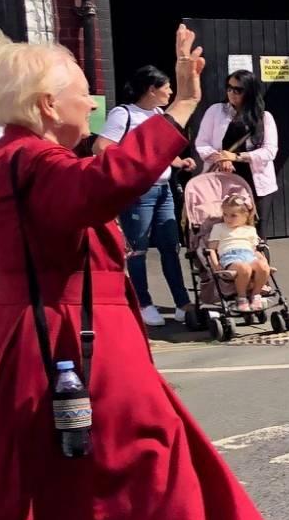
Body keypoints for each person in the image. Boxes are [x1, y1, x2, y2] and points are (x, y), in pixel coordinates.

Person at [0, 26, 289, 520]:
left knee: (70, 497)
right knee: (136, 482)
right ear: (47, 104)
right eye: (83, 96)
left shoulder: (24, 162)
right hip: (70, 357)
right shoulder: (34, 165)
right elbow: (106, 185)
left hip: (57, 350)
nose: (92, 107)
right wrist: (181, 109)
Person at [96, 65, 197, 327]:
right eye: (166, 87)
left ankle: (181, 303)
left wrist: (179, 162)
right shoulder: (124, 114)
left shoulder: (159, 113)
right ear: (151, 90)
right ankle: (143, 303)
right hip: (139, 192)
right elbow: (102, 147)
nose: (171, 92)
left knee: (170, 247)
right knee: (137, 249)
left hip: (163, 188)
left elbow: (158, 151)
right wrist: (131, 171)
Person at [195, 69, 279, 233]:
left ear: (250, 91)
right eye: (229, 88)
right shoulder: (216, 111)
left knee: (256, 233)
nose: (232, 93)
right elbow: (202, 143)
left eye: (238, 90)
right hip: (222, 179)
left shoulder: (264, 117)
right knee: (223, 229)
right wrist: (221, 158)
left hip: (256, 181)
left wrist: (237, 157)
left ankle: (260, 258)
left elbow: (270, 151)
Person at [208, 193, 269, 312]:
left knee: (263, 267)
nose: (228, 219)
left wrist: (263, 259)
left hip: (248, 254)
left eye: (233, 215)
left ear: (245, 216)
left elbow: (254, 250)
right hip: (230, 256)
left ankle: (256, 295)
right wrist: (215, 265)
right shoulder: (219, 228)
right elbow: (211, 249)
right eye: (225, 215)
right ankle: (241, 297)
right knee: (244, 268)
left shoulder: (250, 230)